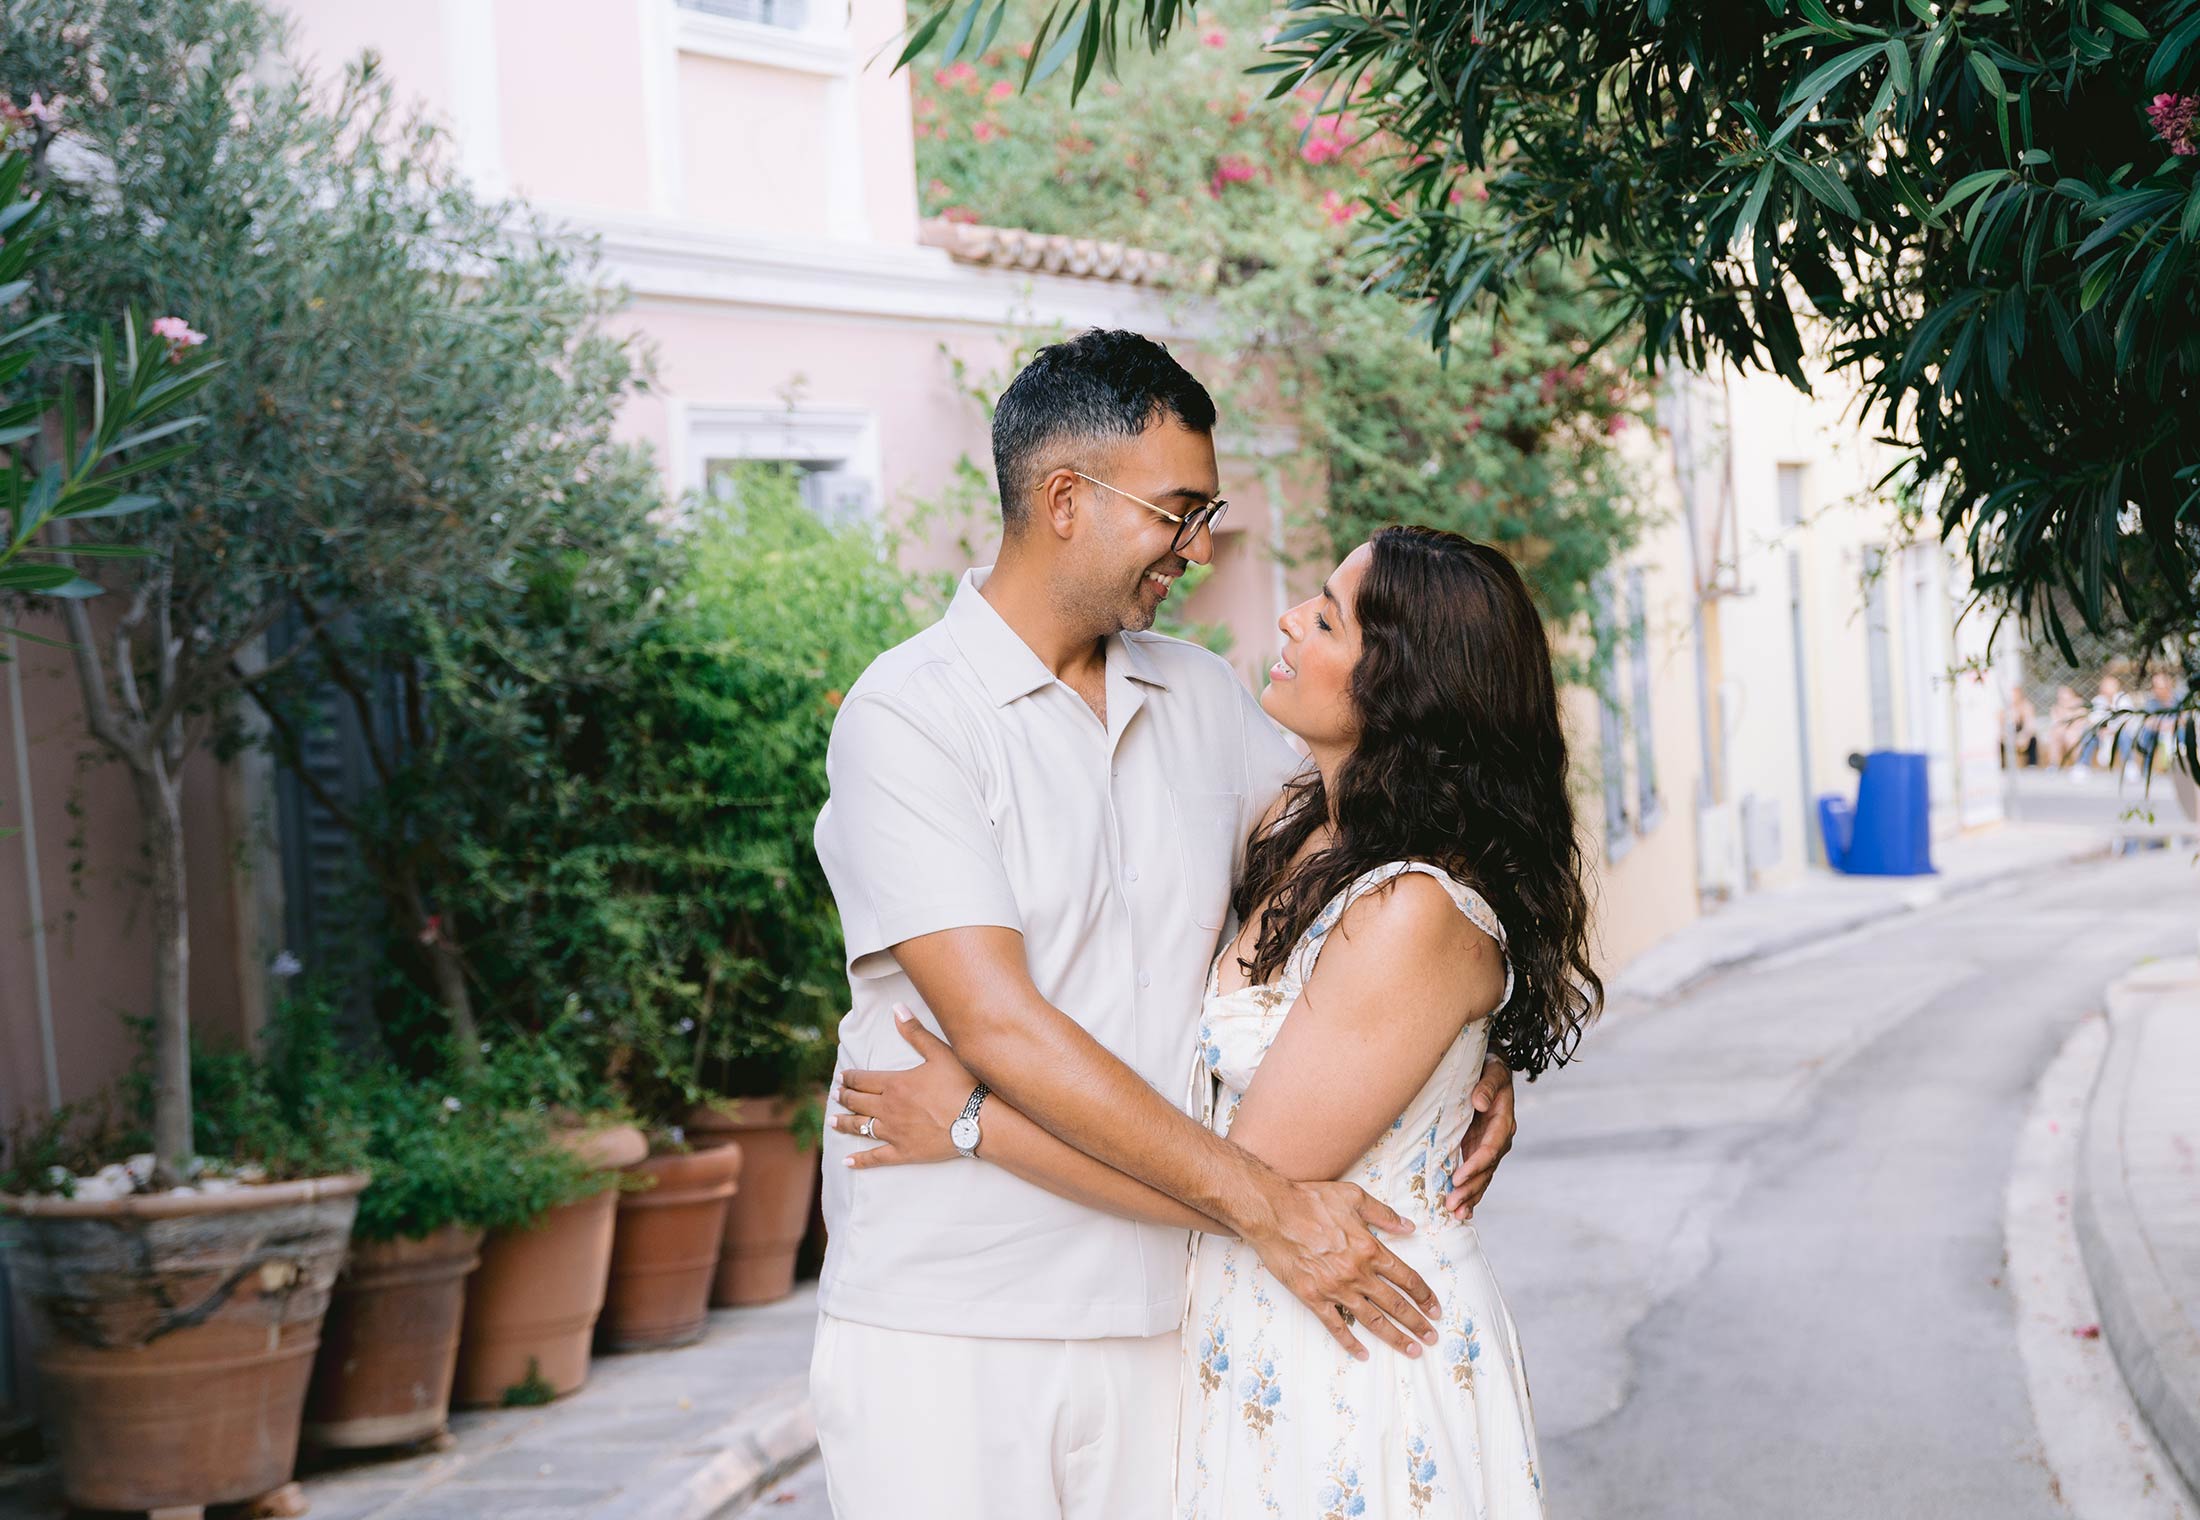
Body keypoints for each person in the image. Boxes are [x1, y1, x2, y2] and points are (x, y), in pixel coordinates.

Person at [808, 330, 1522, 1519]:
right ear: (1065, 501)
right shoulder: (909, 717)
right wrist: (1272, 1204)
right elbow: (997, 1022)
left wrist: (1463, 1055)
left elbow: (1385, 874)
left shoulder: (1198, 695)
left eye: (1208, 512)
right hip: (952, 1314)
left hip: (1170, 1313)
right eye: (1178, 512)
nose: (1199, 547)